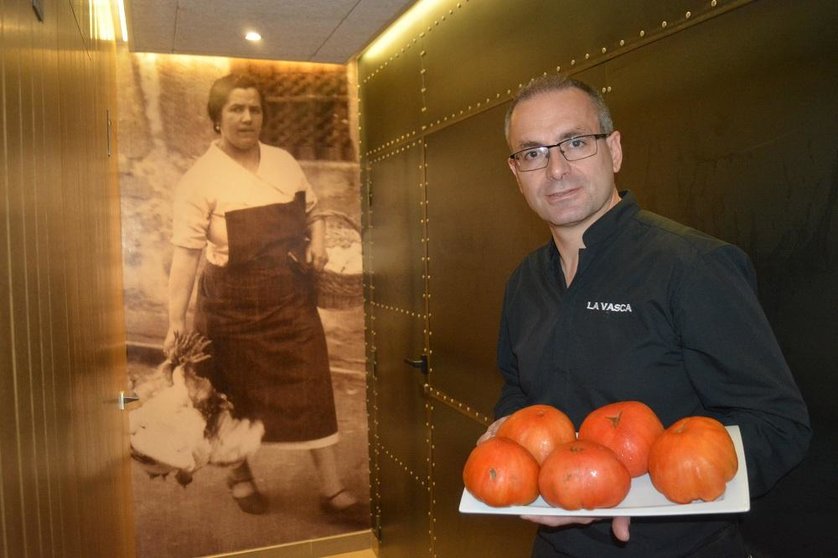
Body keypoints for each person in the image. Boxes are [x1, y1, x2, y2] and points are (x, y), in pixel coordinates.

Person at [481, 75, 811, 557]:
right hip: (553, 544)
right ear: (516, 173)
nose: (555, 169)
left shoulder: (692, 267)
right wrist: (509, 433)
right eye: (532, 153)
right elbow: (518, 390)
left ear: (613, 150)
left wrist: (647, 490)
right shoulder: (524, 282)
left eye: (575, 143)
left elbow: (778, 426)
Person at [164, 73, 360, 519]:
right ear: (217, 118)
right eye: (235, 108)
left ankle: (332, 491)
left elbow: (314, 213)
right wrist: (175, 323)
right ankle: (240, 475)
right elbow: (186, 258)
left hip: (289, 298)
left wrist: (319, 240)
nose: (247, 117)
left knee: (311, 390)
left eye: (254, 108)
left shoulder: (283, 161)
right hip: (229, 307)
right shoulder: (200, 180)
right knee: (231, 397)